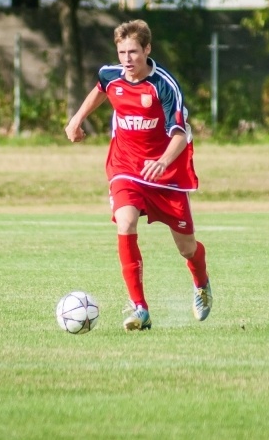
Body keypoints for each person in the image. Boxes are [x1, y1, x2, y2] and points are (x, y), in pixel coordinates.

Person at [65, 19, 212, 331]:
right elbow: (101, 89)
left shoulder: (164, 86)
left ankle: (201, 282)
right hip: (126, 167)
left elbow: (180, 134)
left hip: (166, 172)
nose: (127, 59)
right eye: (122, 52)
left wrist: (162, 161)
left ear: (147, 49)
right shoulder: (111, 74)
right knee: (125, 221)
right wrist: (77, 119)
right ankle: (140, 308)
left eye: (133, 51)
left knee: (187, 248)